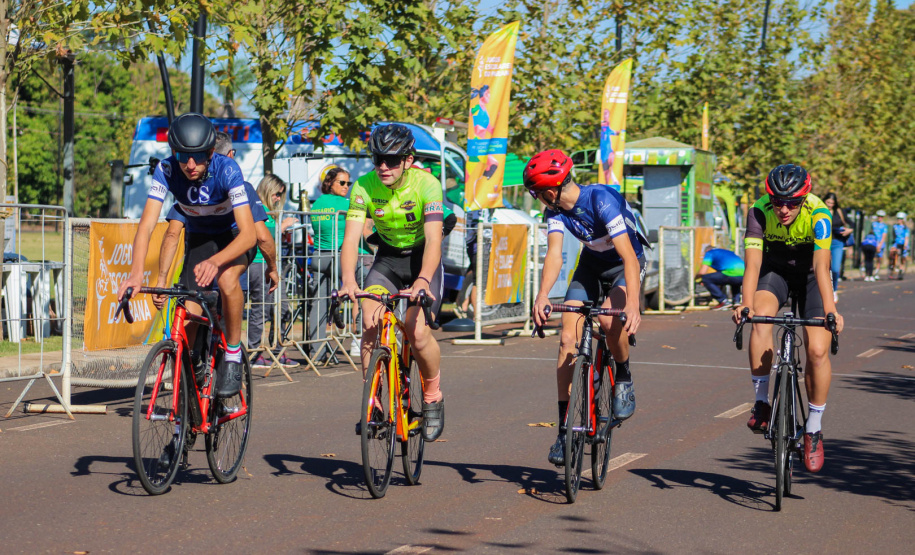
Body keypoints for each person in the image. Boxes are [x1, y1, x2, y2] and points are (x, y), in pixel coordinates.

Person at [117, 112, 256, 398]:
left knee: (229, 280)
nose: (190, 165)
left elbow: (249, 234)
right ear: (173, 152)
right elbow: (146, 227)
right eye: (182, 156)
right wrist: (135, 274)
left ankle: (231, 356)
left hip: (232, 239)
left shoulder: (228, 169)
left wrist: (217, 262)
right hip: (201, 240)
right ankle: (192, 385)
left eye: (198, 157)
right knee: (190, 316)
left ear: (209, 152)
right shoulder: (166, 170)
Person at [526, 149, 646, 467]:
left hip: (625, 265)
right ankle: (565, 431)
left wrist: (631, 305)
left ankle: (623, 375)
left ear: (550, 190)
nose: (537, 198)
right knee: (568, 339)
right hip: (590, 267)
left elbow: (630, 257)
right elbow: (555, 255)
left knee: (610, 321)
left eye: (537, 193)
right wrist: (542, 295)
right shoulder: (554, 212)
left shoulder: (602, 200)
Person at [338, 123, 446, 442]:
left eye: (392, 160)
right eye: (377, 159)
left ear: (408, 161)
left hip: (423, 259)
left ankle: (432, 397)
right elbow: (351, 239)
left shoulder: (427, 185)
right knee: (369, 320)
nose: (383, 166)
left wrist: (424, 279)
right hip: (388, 259)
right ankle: (373, 403)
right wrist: (347, 281)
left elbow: (434, 240)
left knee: (416, 331)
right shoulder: (363, 187)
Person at [733, 164, 844, 473]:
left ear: (804, 198)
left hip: (810, 275)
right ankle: (762, 402)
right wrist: (744, 304)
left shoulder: (820, 214)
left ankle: (813, 429)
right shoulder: (758, 210)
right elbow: (753, 265)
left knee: (818, 350)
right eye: (778, 201)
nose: (783, 209)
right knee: (760, 317)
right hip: (775, 271)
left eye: (792, 202)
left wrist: (831, 311)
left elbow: (823, 268)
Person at [151, 132, 282, 369]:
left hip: (201, 255)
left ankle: (190, 372)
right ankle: (226, 367)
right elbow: (263, 236)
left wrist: (161, 278)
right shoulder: (239, 183)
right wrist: (272, 268)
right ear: (229, 155)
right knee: (226, 289)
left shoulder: (186, 184)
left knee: (193, 311)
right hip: (223, 259)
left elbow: (172, 233)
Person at [308, 166, 372, 362]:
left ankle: (317, 354)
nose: (346, 186)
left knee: (318, 305)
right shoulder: (347, 204)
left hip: (319, 257)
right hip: (340, 258)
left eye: (348, 183)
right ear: (329, 183)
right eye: (342, 183)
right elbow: (362, 232)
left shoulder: (317, 203)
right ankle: (360, 337)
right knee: (371, 287)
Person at [248, 174, 298, 369]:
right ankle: (254, 353)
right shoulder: (256, 207)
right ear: (268, 190)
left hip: (273, 266)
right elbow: (260, 235)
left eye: (281, 195)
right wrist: (281, 226)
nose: (278, 199)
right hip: (258, 264)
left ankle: (278, 349)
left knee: (283, 308)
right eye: (277, 194)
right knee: (261, 310)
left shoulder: (271, 212)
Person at [823, 192, 852, 303]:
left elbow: (851, 223)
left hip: (837, 242)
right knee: (823, 267)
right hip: (823, 242)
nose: (830, 204)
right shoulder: (820, 209)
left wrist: (849, 230)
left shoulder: (839, 212)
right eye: (828, 202)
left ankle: (834, 290)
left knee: (835, 268)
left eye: (832, 203)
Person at [889, 212, 909, 277]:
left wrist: (905, 245)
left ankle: (901, 268)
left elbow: (906, 237)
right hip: (896, 243)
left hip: (903, 243)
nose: (899, 220)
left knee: (903, 257)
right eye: (898, 218)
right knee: (892, 252)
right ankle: (892, 265)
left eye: (901, 219)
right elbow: (893, 235)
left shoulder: (905, 228)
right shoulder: (895, 226)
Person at [871, 209, 888, 279]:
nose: (880, 218)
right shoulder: (873, 224)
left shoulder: (884, 226)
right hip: (873, 243)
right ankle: (871, 270)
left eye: (881, 216)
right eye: (878, 216)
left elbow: (884, 236)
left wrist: (880, 245)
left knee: (879, 258)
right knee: (872, 257)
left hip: (880, 244)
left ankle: (877, 272)